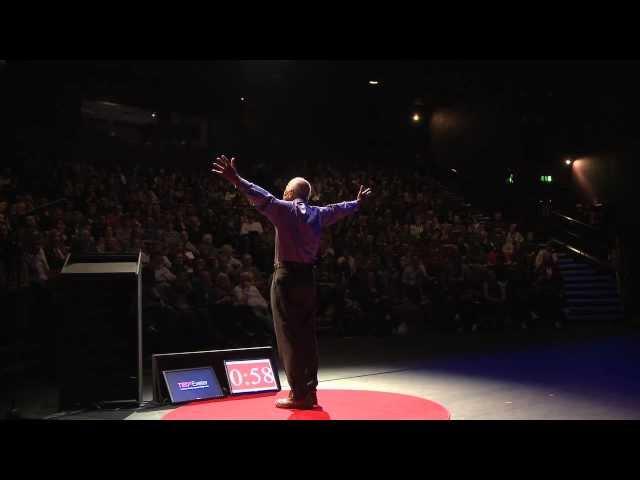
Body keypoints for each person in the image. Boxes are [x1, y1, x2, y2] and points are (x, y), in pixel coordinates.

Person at [212, 155, 371, 409]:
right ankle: (311, 390)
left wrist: (236, 179)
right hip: (308, 278)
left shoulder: (283, 209)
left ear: (288, 192)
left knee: (288, 335)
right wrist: (357, 202)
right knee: (307, 335)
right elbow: (340, 208)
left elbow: (260, 194)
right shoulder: (319, 214)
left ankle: (299, 395)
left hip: (286, 278)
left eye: (285, 189)